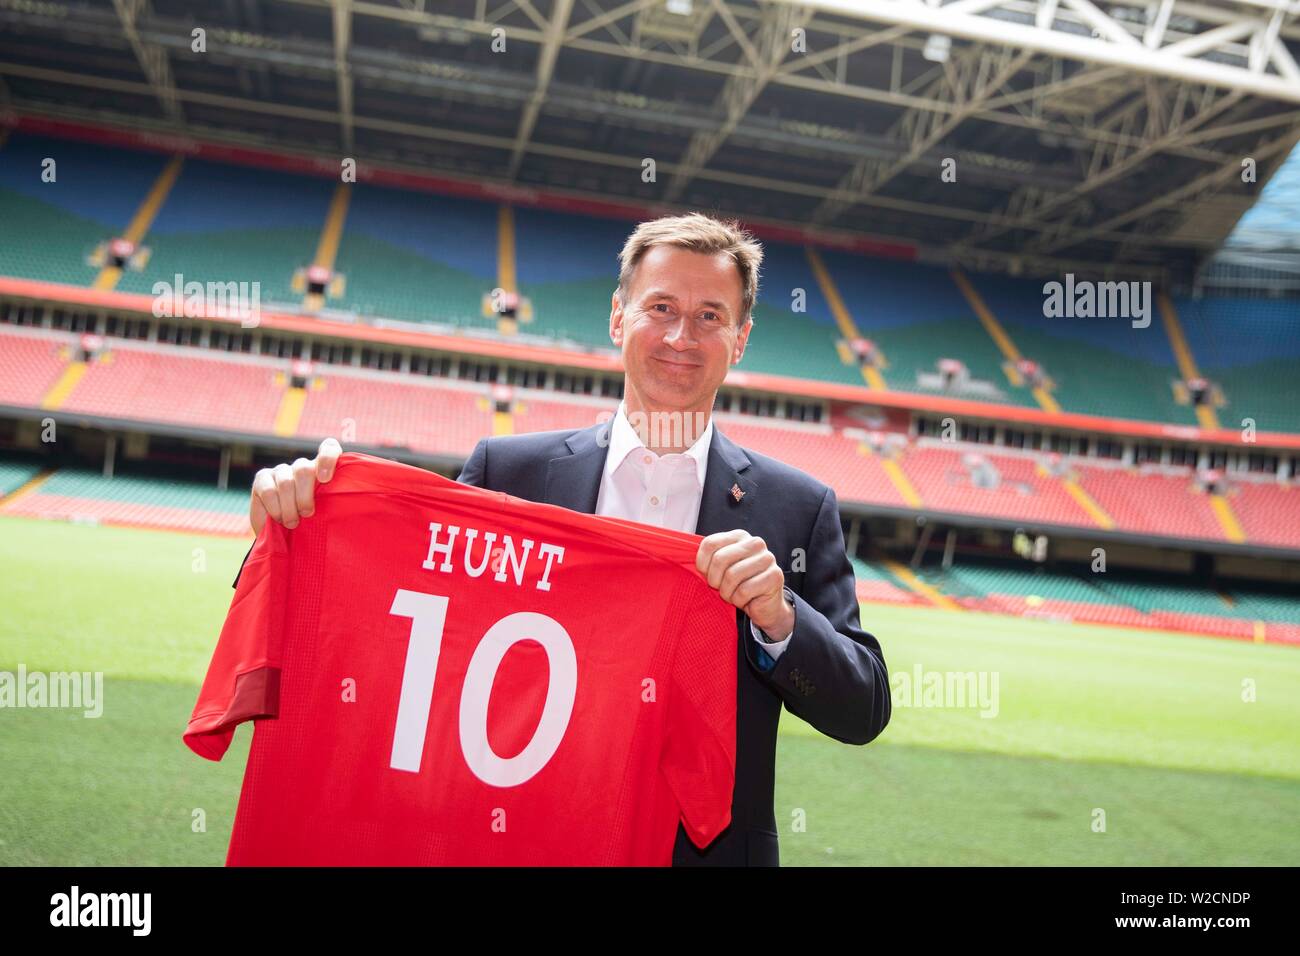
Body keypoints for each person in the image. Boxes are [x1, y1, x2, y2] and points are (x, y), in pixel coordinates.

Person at [245, 212, 891, 866]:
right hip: (517, 839)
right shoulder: (509, 472)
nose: (680, 335)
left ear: (742, 338)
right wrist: (295, 524)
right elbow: (400, 624)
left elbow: (863, 708)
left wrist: (780, 620)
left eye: (710, 317)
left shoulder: (797, 508)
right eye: (660, 306)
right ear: (618, 317)